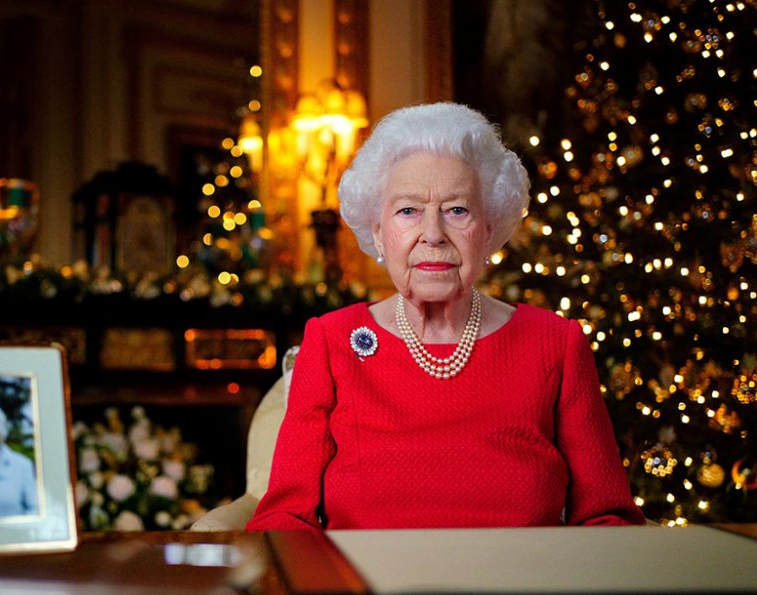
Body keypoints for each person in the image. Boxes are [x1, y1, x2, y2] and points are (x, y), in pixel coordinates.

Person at [247, 102, 646, 531]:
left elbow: (607, 517)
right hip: (368, 593)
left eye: (457, 210)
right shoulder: (331, 340)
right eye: (408, 211)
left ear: (489, 228)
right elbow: (284, 519)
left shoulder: (554, 343)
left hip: (519, 592)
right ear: (379, 231)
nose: (433, 234)